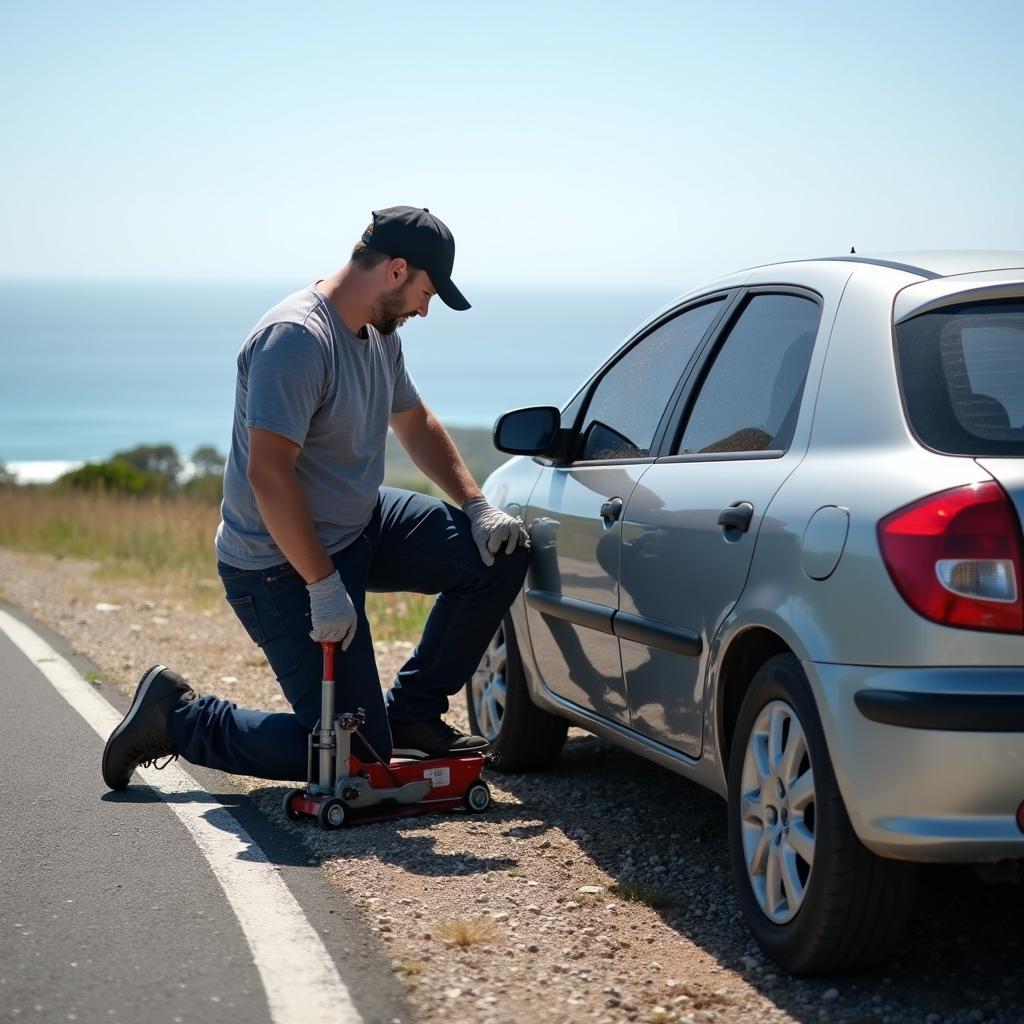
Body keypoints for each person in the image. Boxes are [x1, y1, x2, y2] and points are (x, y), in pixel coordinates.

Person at [102, 206, 530, 789]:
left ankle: (413, 711)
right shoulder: (297, 339)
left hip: (361, 521)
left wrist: (477, 506)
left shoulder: (379, 332)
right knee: (355, 759)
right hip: (281, 563)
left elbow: (414, 419)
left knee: (497, 554)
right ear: (397, 270)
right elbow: (269, 476)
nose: (425, 310)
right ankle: (177, 719)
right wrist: (323, 585)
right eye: (426, 293)